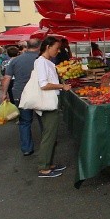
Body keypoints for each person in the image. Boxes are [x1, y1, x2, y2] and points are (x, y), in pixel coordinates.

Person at [29, 36, 72, 178]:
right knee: (49, 135)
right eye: (56, 48)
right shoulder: (41, 62)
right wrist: (62, 86)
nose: (58, 51)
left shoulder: (46, 62)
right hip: (47, 103)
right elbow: (43, 84)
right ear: (48, 47)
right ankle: (43, 167)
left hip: (51, 102)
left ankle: (49, 163)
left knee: (51, 134)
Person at [0, 39, 41, 155]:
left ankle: (27, 149)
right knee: (43, 119)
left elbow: (7, 78)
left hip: (20, 94)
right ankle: (48, 143)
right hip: (39, 93)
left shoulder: (16, 60)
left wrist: (4, 93)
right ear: (39, 46)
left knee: (24, 122)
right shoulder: (41, 59)